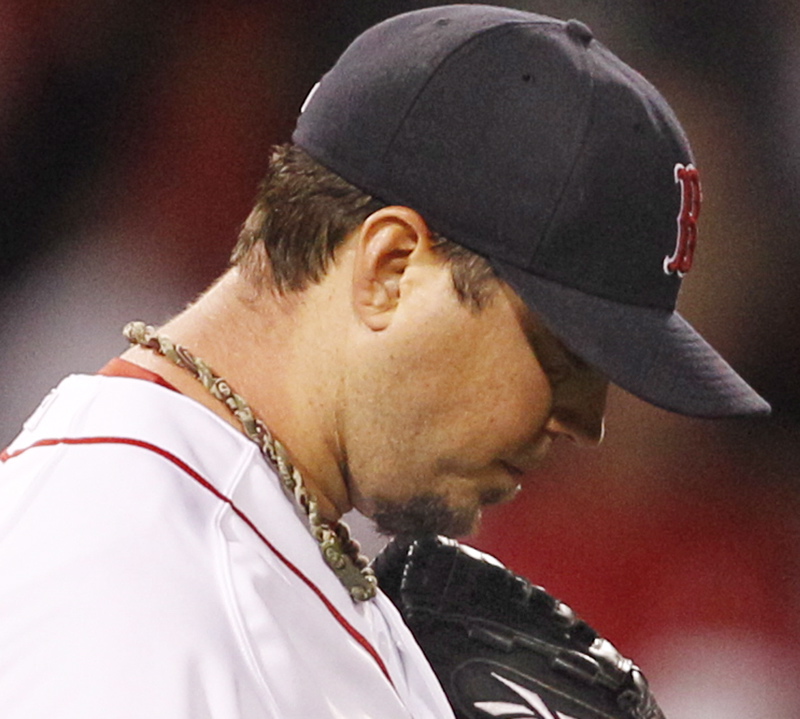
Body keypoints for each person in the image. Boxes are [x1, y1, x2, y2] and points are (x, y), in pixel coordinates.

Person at [0, 5, 770, 718]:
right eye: (561, 352)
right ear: (392, 267)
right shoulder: (129, 575)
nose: (586, 419)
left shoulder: (264, 535)